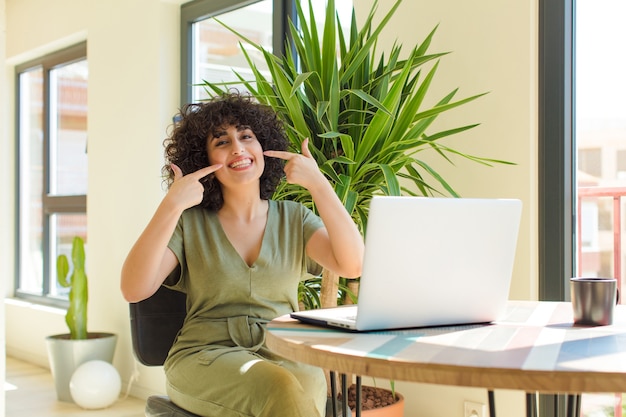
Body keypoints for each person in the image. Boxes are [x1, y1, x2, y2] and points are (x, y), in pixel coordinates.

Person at [121, 92, 364, 417]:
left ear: (263, 146)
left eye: (246, 136)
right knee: (277, 386)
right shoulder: (189, 224)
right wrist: (172, 205)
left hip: (285, 352)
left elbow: (353, 263)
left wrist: (319, 185)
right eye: (221, 141)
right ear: (203, 159)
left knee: (298, 381)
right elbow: (134, 288)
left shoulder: (294, 219)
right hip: (205, 357)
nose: (237, 147)